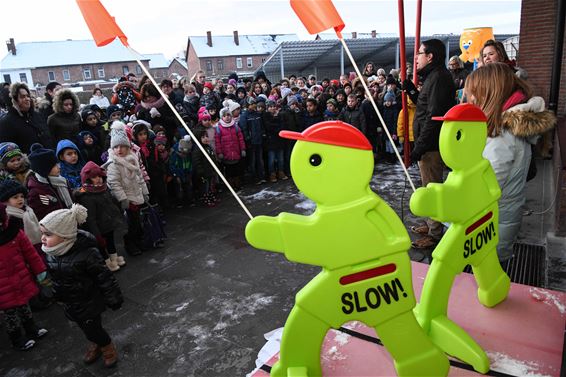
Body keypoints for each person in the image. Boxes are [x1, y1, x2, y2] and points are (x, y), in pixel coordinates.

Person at [464, 63, 556, 262]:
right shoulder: (507, 130)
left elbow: (483, 189)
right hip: (501, 219)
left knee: (485, 280)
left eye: (473, 93)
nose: (470, 99)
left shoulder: (501, 138)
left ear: (489, 94)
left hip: (490, 227)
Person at [39, 204, 123, 367]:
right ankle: (95, 342)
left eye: (48, 234)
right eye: (43, 234)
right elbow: (56, 278)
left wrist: (113, 297)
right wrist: (56, 293)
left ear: (65, 235)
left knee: (93, 327)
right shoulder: (52, 253)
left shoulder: (87, 253)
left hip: (89, 301)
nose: (42, 239)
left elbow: (103, 276)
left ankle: (106, 345)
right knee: (84, 326)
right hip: (70, 301)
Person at [403, 39, 456, 249]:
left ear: (430, 56)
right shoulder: (434, 77)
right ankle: (431, 223)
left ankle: (435, 234)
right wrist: (412, 92)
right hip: (428, 144)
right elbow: (425, 106)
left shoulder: (439, 78)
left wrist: (420, 146)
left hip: (431, 146)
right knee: (427, 186)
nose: (416, 58)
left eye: (420, 53)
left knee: (432, 189)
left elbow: (434, 116)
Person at [0, 202, 47, 351]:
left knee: (24, 305)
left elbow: (30, 252)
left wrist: (40, 270)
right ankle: (17, 338)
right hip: (3, 285)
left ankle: (31, 328)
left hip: (21, 276)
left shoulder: (14, 230)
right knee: (10, 313)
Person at [104, 122, 149, 256]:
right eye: (116, 147)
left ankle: (138, 240)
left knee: (137, 222)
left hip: (137, 194)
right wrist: (123, 199)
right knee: (130, 224)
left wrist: (144, 191)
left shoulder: (132, 157)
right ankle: (130, 243)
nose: (119, 150)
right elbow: (114, 183)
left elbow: (139, 176)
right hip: (127, 199)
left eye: (122, 146)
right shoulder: (113, 163)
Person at [75, 161, 125, 271]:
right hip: (98, 227)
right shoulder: (86, 196)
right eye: (94, 177)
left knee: (111, 241)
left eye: (99, 176)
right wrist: (96, 234)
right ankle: (107, 262)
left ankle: (114, 258)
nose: (98, 179)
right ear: (87, 179)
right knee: (101, 245)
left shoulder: (103, 188)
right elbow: (91, 219)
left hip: (108, 223)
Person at [0, 83, 54, 153]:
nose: (27, 99)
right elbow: (8, 151)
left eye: (28, 96)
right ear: (13, 100)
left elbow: (48, 137)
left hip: (49, 158)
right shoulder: (6, 122)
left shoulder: (37, 115)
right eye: (22, 97)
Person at [26, 143, 73, 221]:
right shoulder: (36, 192)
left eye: (57, 164)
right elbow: (41, 215)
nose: (59, 167)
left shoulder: (62, 181)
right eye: (54, 166)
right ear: (44, 170)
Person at [214, 107, 246, 190]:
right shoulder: (219, 128)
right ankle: (231, 184)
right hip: (226, 155)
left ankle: (237, 183)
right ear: (222, 117)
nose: (227, 117)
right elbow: (217, 142)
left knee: (237, 170)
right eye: (224, 116)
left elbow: (240, 138)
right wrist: (219, 152)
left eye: (228, 115)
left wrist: (242, 149)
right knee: (229, 171)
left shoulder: (235, 126)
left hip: (236, 153)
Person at [239, 98, 266, 185]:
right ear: (248, 105)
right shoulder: (244, 116)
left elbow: (261, 126)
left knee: (260, 159)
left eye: (254, 103)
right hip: (251, 142)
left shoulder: (257, 114)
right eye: (252, 104)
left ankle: (261, 177)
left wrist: (263, 134)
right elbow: (244, 129)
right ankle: (254, 178)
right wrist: (248, 139)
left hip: (259, 140)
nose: (254, 105)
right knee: (252, 160)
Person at [191, 130, 218, 206]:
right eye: (203, 137)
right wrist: (200, 172)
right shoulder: (198, 150)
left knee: (210, 186)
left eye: (206, 136)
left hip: (210, 171)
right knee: (205, 187)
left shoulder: (208, 147)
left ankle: (211, 196)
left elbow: (213, 157)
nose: (206, 138)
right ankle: (206, 199)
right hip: (204, 173)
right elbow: (197, 162)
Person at [263, 101, 287, 182]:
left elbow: (282, 126)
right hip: (270, 141)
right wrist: (276, 124)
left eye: (274, 106)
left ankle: (281, 172)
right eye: (270, 107)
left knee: (281, 158)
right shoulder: (266, 116)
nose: (272, 108)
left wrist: (276, 125)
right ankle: (272, 174)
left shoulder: (280, 115)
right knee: (271, 159)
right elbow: (268, 127)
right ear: (267, 108)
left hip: (279, 140)